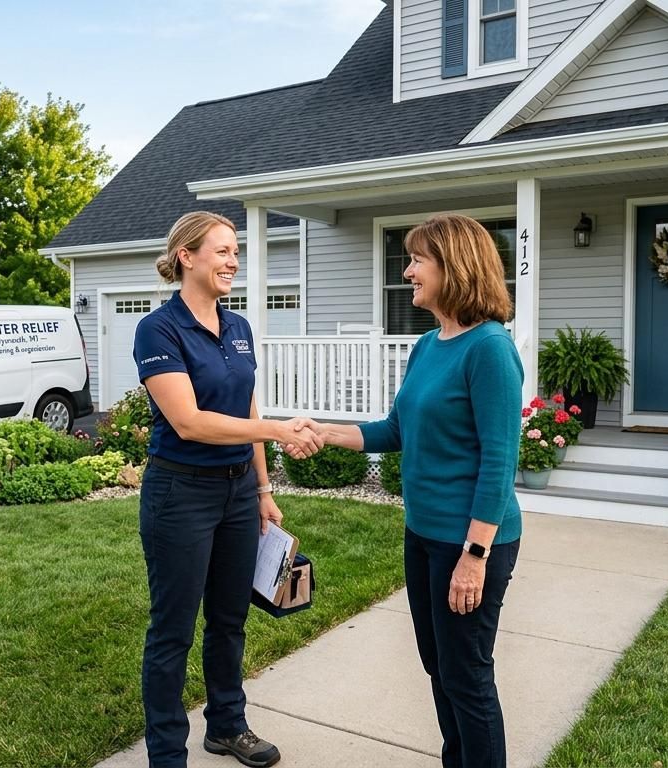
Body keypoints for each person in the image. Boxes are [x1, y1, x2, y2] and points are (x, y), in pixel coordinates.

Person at [313, 213, 523, 768]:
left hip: (471, 543)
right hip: (423, 535)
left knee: (468, 676)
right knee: (439, 667)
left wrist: (474, 557)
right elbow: (397, 430)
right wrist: (322, 431)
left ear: (453, 267)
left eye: (417, 260)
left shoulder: (490, 349)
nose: (407, 271)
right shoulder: (428, 345)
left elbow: (500, 462)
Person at [132, 210, 323, 768]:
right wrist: (277, 432)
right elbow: (189, 421)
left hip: (240, 491)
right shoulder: (158, 329)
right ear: (186, 256)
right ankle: (167, 754)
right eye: (221, 250)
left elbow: (246, 405)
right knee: (172, 630)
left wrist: (263, 487)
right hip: (181, 493)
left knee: (229, 618)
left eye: (235, 250)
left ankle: (227, 726)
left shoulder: (238, 328)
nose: (232, 261)